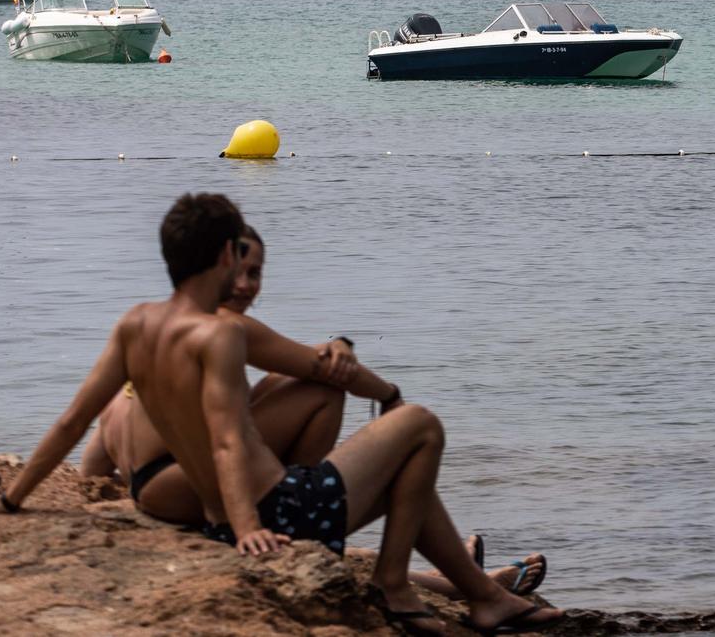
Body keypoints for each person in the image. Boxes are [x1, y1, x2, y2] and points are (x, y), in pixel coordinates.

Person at [0, 194, 560, 636]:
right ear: (222, 255)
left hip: (200, 500)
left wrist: (10, 501)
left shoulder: (135, 323)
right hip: (280, 510)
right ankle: (397, 585)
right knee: (419, 426)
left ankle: (481, 595)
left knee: (401, 466)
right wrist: (246, 529)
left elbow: (70, 422)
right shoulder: (220, 336)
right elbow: (223, 440)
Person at [79, 225, 545, 597]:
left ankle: (460, 580)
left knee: (307, 389)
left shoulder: (149, 343)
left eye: (255, 274)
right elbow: (327, 368)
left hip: (172, 490)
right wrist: (388, 393)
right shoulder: (223, 327)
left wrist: (131, 500)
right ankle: (469, 584)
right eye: (235, 272)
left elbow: (95, 463)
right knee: (397, 443)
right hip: (201, 493)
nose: (244, 286)